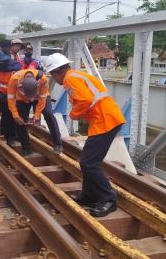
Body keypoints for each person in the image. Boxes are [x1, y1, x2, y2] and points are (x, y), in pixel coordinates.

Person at [45, 53, 126, 217]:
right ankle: (89, 196)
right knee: (88, 162)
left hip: (105, 121)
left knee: (89, 163)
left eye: (52, 75)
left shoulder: (69, 79)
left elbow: (85, 100)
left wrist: (74, 114)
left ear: (57, 72)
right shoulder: (76, 75)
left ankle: (108, 199)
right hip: (105, 119)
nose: (55, 80)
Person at [7, 69, 62, 155]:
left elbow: (43, 99)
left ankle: (58, 144)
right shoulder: (14, 80)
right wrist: (15, 115)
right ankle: (26, 148)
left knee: (48, 114)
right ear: (21, 86)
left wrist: (37, 115)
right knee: (19, 120)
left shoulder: (43, 79)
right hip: (22, 99)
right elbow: (11, 99)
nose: (31, 99)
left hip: (40, 98)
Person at [0, 50, 21, 146]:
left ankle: (10, 137)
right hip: (0, 93)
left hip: (12, 95)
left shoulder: (15, 69)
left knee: (8, 116)